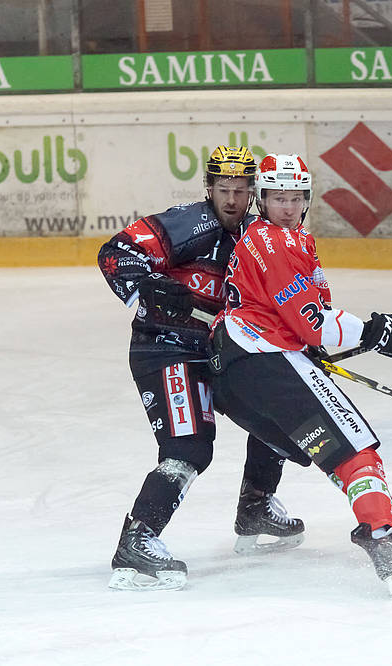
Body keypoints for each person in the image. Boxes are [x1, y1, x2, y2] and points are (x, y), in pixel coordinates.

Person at [210, 153, 392, 596]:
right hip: (263, 357)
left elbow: (311, 316)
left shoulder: (286, 239)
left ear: (307, 199)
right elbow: (311, 323)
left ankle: (376, 508)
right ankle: (381, 533)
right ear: (262, 199)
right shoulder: (276, 244)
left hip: (237, 371)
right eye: (278, 198)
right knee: (354, 445)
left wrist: (376, 332)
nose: (288, 207)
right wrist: (375, 331)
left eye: (296, 198)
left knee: (328, 444)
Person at [98, 145, 305, 592]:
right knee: (189, 448)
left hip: (221, 350)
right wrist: (148, 284)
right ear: (208, 188)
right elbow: (116, 253)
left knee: (278, 416)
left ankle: (255, 505)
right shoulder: (188, 224)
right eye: (223, 189)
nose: (232, 199)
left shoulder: (259, 235)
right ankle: (138, 539)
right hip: (167, 348)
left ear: (254, 193)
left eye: (241, 190)